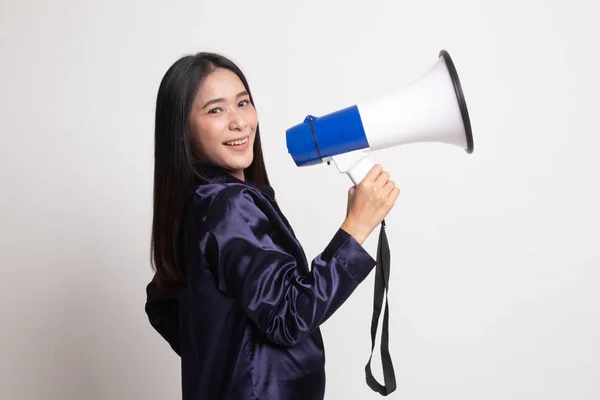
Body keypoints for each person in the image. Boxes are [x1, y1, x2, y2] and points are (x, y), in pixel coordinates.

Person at [144, 51, 400, 400]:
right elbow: (289, 315)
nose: (239, 122)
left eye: (243, 103)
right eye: (215, 110)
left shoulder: (198, 204)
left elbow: (161, 301)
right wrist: (356, 228)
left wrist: (221, 360)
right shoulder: (229, 205)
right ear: (183, 129)